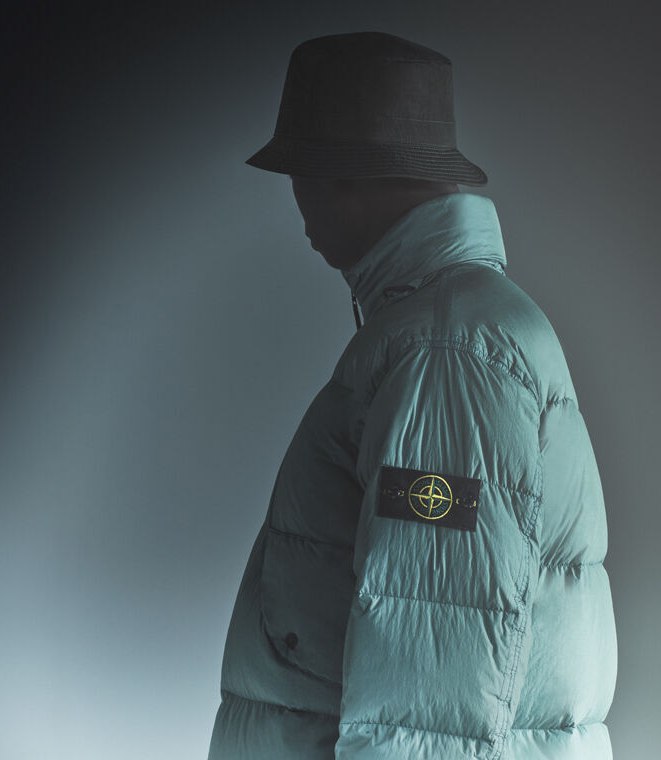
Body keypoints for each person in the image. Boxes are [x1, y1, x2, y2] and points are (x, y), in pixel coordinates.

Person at [208, 31, 618, 760]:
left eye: (298, 170)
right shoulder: (451, 328)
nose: (295, 198)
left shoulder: (446, 346)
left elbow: (431, 711)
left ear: (345, 176)